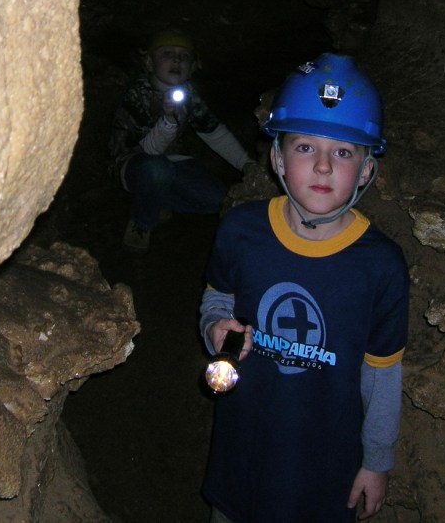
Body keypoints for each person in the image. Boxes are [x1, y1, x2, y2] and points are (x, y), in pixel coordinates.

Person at [198, 53, 410, 522]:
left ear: (367, 170)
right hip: (244, 445)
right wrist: (215, 327)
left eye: (342, 152)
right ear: (276, 158)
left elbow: (382, 374)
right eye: (304, 148)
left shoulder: (381, 266)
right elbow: (216, 300)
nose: (321, 167)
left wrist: (376, 462)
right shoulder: (242, 232)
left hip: (325, 464)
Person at [108, 30, 254, 252]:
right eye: (167, 54)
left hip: (174, 161)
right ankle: (142, 222)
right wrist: (169, 120)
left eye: (183, 56)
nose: (176, 60)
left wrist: (247, 165)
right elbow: (149, 151)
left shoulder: (188, 94)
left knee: (219, 201)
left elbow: (214, 132)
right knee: (157, 170)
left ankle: (156, 200)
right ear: (149, 62)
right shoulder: (137, 94)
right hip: (133, 161)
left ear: (193, 66)